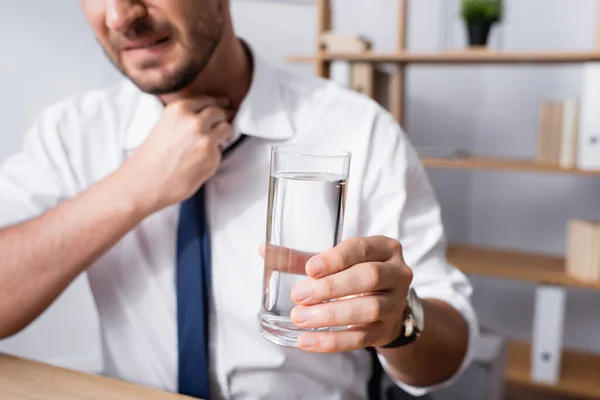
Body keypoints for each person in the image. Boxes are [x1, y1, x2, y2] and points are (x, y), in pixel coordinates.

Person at [0, 0, 478, 399]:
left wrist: (400, 322)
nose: (121, 14)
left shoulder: (359, 129)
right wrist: (134, 188)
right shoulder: (71, 133)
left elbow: (448, 353)